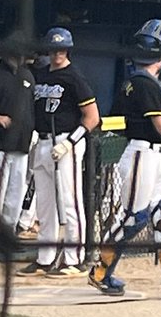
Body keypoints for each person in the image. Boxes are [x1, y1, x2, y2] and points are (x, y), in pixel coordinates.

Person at [89, 20, 161, 300]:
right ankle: (100, 272)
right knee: (133, 218)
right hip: (143, 155)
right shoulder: (145, 84)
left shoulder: (145, 82)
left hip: (159, 158)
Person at [16, 27, 100, 278]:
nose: (57, 54)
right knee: (44, 204)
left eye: (61, 49)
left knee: (69, 200)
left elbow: (92, 117)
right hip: (42, 141)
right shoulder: (40, 74)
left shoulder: (74, 77)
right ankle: (45, 257)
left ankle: (75, 258)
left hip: (66, 142)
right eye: (53, 50)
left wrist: (70, 143)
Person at [0, 36, 38, 239]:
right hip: (0, 141)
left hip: (22, 142)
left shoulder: (27, 75)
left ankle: (9, 233)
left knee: (16, 191)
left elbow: (32, 107)